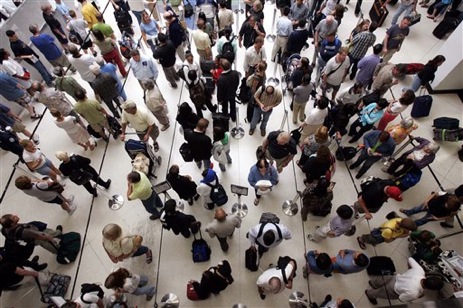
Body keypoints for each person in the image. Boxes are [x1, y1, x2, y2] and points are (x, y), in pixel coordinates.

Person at [364, 257, 443, 304]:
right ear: (430, 289)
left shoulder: (420, 271)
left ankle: (373, 283)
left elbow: (410, 259)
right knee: (379, 292)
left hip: (394, 277)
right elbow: (401, 298)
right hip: (392, 290)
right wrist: (419, 296)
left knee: (380, 280)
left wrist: (410, 269)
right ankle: (369, 294)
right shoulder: (415, 293)